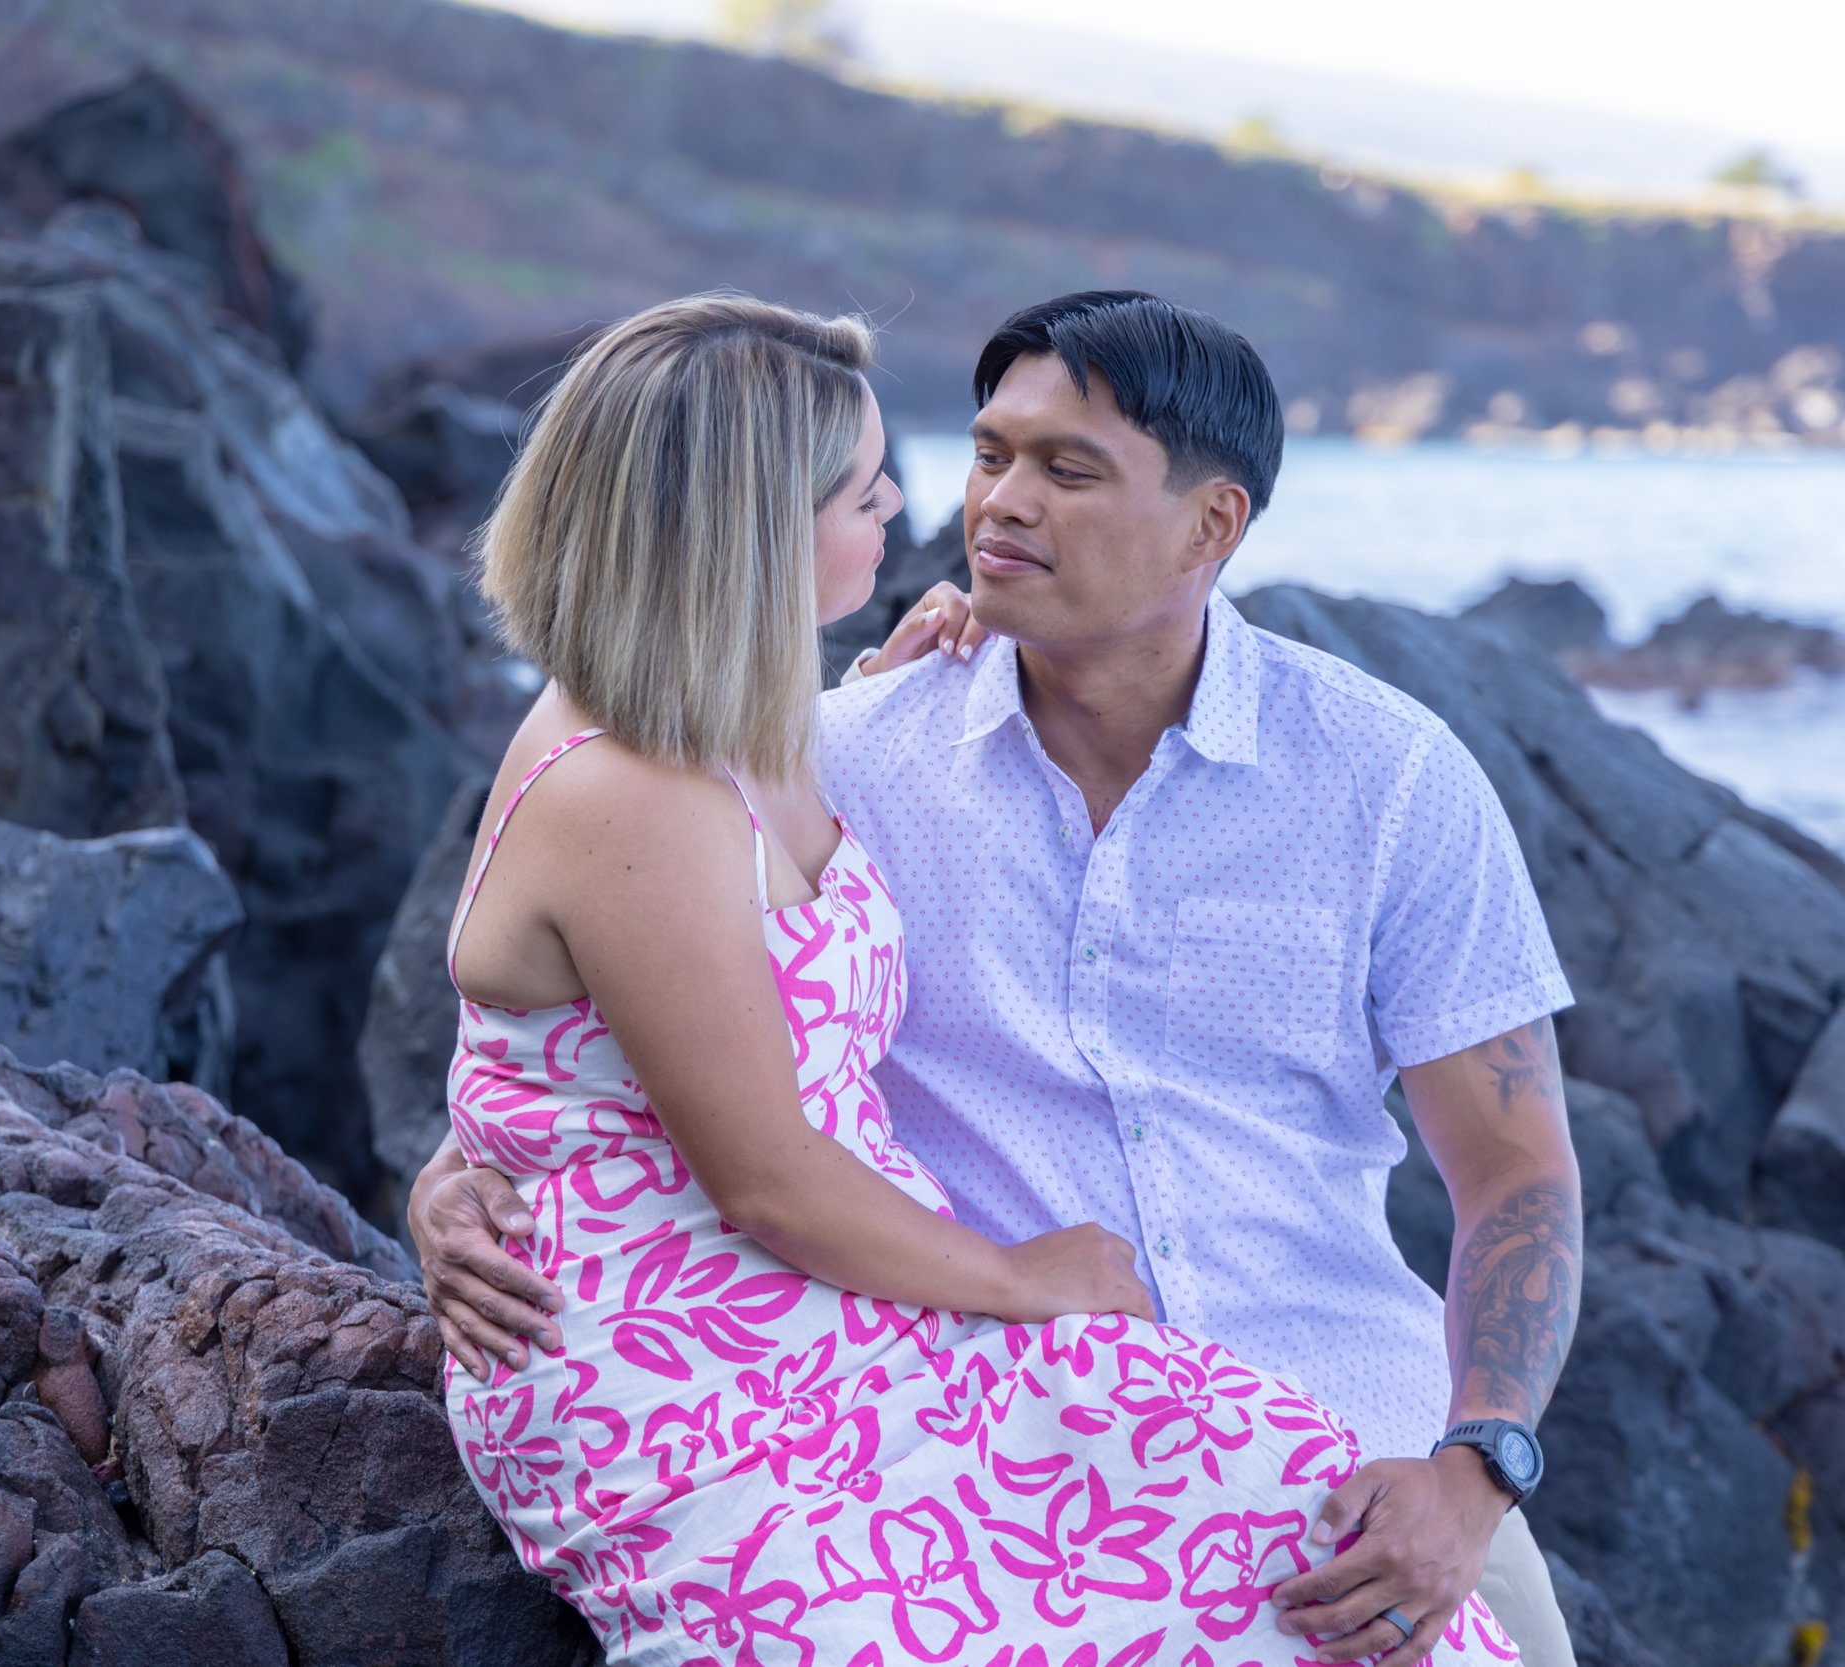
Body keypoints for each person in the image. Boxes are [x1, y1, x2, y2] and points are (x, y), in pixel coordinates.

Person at [424, 291, 1532, 1666]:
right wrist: (456, 1175)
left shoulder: (1387, 777)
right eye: (976, 459)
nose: (963, 506)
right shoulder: (819, 753)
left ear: (1214, 527)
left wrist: (1481, 1466)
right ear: (749, 521)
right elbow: (618, 1070)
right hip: (843, 1344)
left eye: (1063, 471)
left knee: (1431, 1625)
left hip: (1313, 1394)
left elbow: (1517, 1175)